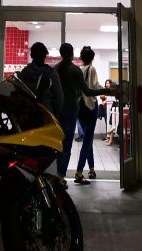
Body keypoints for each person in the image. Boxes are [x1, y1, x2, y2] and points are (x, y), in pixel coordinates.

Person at [54, 43, 111, 183]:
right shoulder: (79, 70)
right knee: (77, 143)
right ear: (73, 54)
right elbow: (89, 90)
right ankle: (70, 174)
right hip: (79, 108)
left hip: (61, 109)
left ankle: (86, 170)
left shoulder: (55, 69)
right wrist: (106, 91)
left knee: (61, 143)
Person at [75, 46, 102, 183]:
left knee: (88, 138)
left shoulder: (78, 70)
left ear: (81, 58)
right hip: (90, 107)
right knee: (87, 140)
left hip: (80, 108)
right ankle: (79, 171)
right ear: (92, 58)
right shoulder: (91, 69)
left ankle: (91, 169)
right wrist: (107, 90)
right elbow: (95, 85)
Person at [17, 42, 63, 116]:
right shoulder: (51, 73)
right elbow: (59, 97)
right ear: (45, 55)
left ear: (31, 55)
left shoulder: (25, 72)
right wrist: (55, 114)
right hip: (46, 112)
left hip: (27, 113)